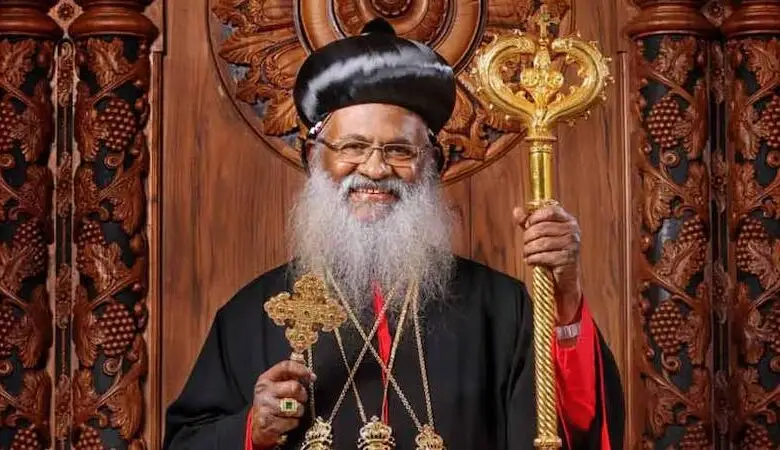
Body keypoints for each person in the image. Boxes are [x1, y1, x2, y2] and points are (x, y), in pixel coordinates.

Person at [163, 18, 625, 450]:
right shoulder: (253, 314)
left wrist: (564, 298)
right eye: (353, 147)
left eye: (400, 150)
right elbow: (187, 441)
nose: (375, 168)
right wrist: (253, 430)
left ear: (432, 165)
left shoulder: (501, 309)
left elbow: (571, 433)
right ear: (313, 158)